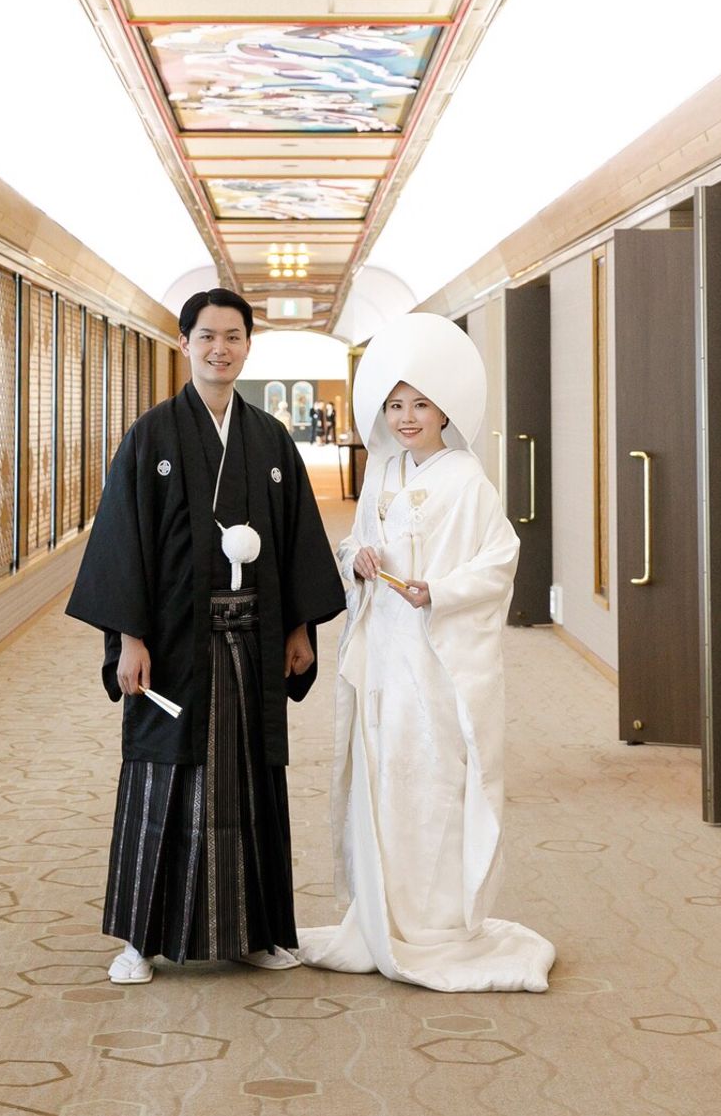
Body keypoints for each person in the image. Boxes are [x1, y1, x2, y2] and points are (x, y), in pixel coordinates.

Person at [66, 289, 345, 983]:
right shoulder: (152, 436)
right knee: (164, 778)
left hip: (252, 639)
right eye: (207, 336)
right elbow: (123, 542)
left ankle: (254, 932)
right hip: (173, 641)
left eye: (233, 337)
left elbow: (295, 540)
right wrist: (129, 638)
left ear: (248, 345)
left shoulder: (270, 439)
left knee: (249, 782)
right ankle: (140, 940)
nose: (220, 349)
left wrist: (300, 627)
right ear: (185, 343)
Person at [299, 312, 555, 992]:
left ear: (445, 409)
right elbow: (354, 542)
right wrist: (360, 559)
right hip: (385, 650)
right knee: (382, 770)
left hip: (438, 657)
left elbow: (499, 561)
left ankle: (435, 922)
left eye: (419, 404)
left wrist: (438, 591)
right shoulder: (382, 471)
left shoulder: (468, 480)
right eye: (395, 405)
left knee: (433, 776)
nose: (407, 418)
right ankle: (383, 913)